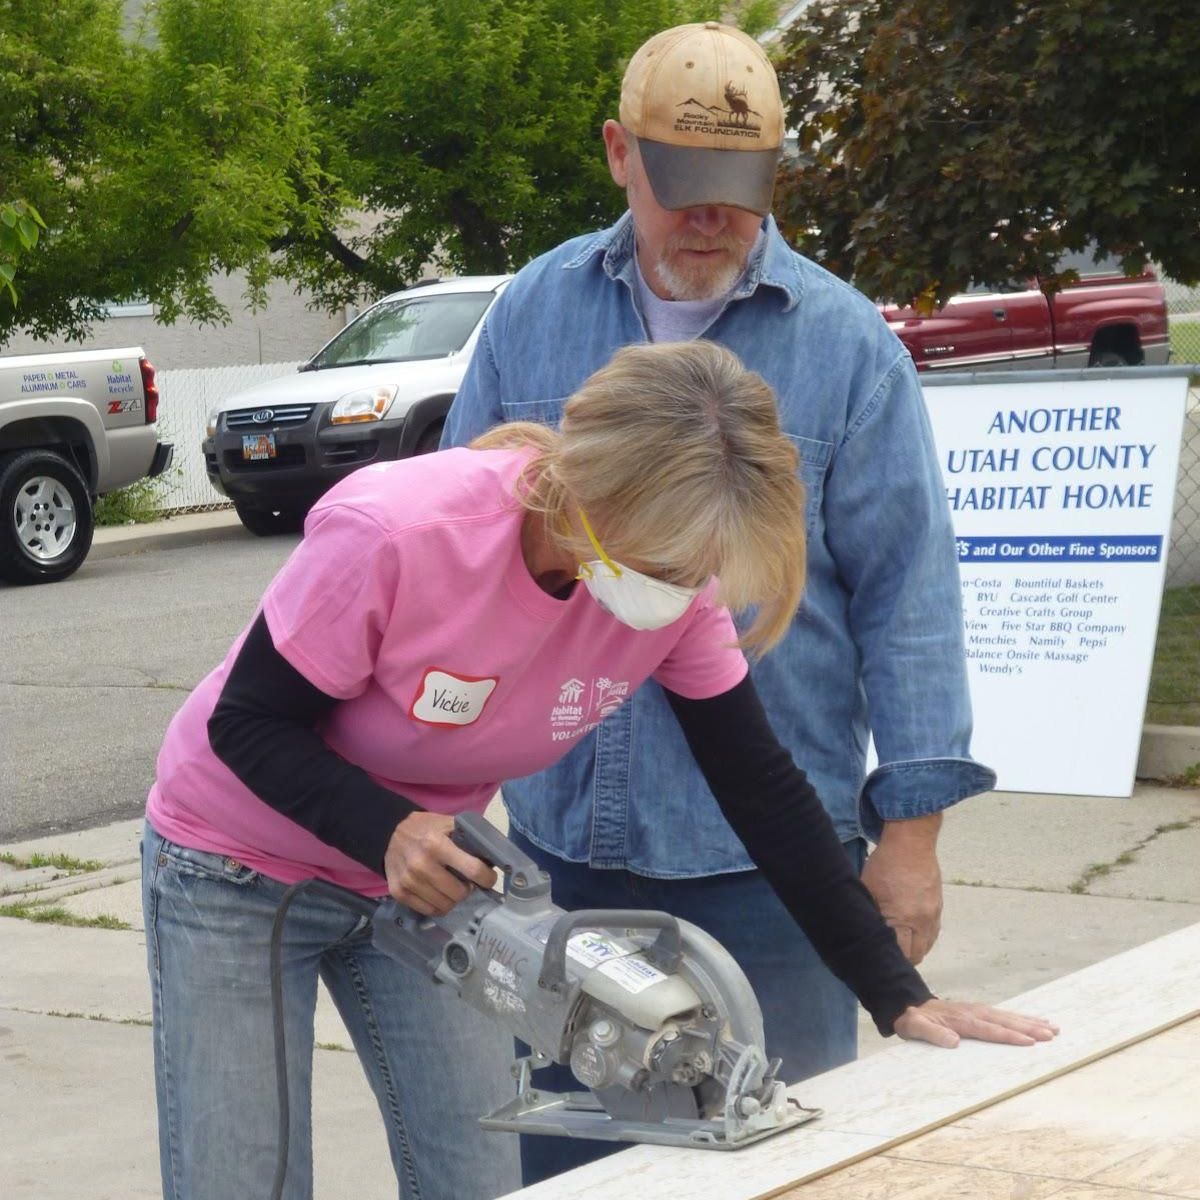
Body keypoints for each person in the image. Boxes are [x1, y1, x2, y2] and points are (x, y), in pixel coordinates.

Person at [143, 342, 1052, 1200]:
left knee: (477, 1168)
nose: (676, 588)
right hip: (236, 865)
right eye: (663, 559)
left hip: (429, 885)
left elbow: (763, 788)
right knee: (244, 1176)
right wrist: (386, 828)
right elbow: (249, 721)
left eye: (696, 569)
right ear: (587, 491)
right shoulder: (402, 531)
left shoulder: (673, 596)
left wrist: (895, 993)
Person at [442, 20, 996, 1185]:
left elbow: (911, 599)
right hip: (561, 851)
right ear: (617, 154)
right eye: (683, 185)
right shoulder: (534, 313)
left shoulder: (848, 346)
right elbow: (467, 555)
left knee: (786, 1165)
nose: (711, 218)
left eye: (737, 191)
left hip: (772, 865)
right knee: (580, 1172)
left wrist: (912, 839)